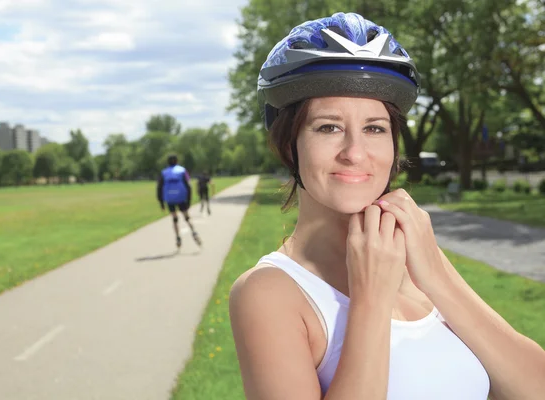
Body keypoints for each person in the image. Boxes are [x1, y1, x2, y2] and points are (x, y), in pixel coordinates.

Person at [228, 12, 545, 400]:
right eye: (328, 127)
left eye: (375, 128)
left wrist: (435, 274)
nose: (355, 153)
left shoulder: (419, 261)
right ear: (288, 144)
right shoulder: (268, 293)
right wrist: (371, 300)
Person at [157, 154, 202, 248]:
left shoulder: (164, 172)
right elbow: (188, 185)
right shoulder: (182, 170)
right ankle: (194, 232)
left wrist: (161, 202)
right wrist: (189, 200)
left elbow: (159, 188)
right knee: (187, 217)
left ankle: (178, 237)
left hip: (170, 198)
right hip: (181, 197)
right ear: (177, 161)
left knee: (174, 218)